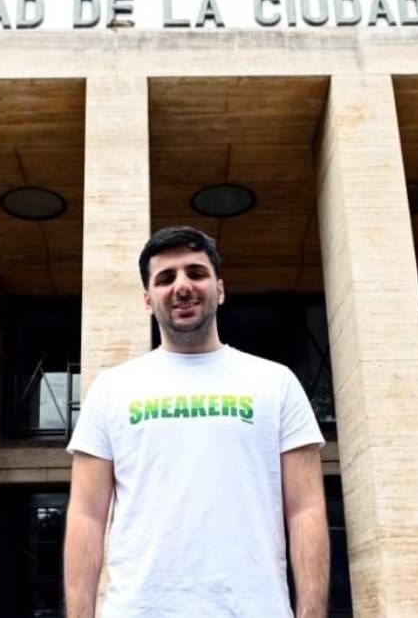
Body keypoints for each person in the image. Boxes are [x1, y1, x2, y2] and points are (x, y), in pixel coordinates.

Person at [64, 226, 329, 617]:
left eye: (196, 273)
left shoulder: (276, 383)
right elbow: (86, 514)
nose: (182, 286)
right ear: (147, 299)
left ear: (219, 289)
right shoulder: (111, 389)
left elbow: (306, 508)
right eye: (166, 278)